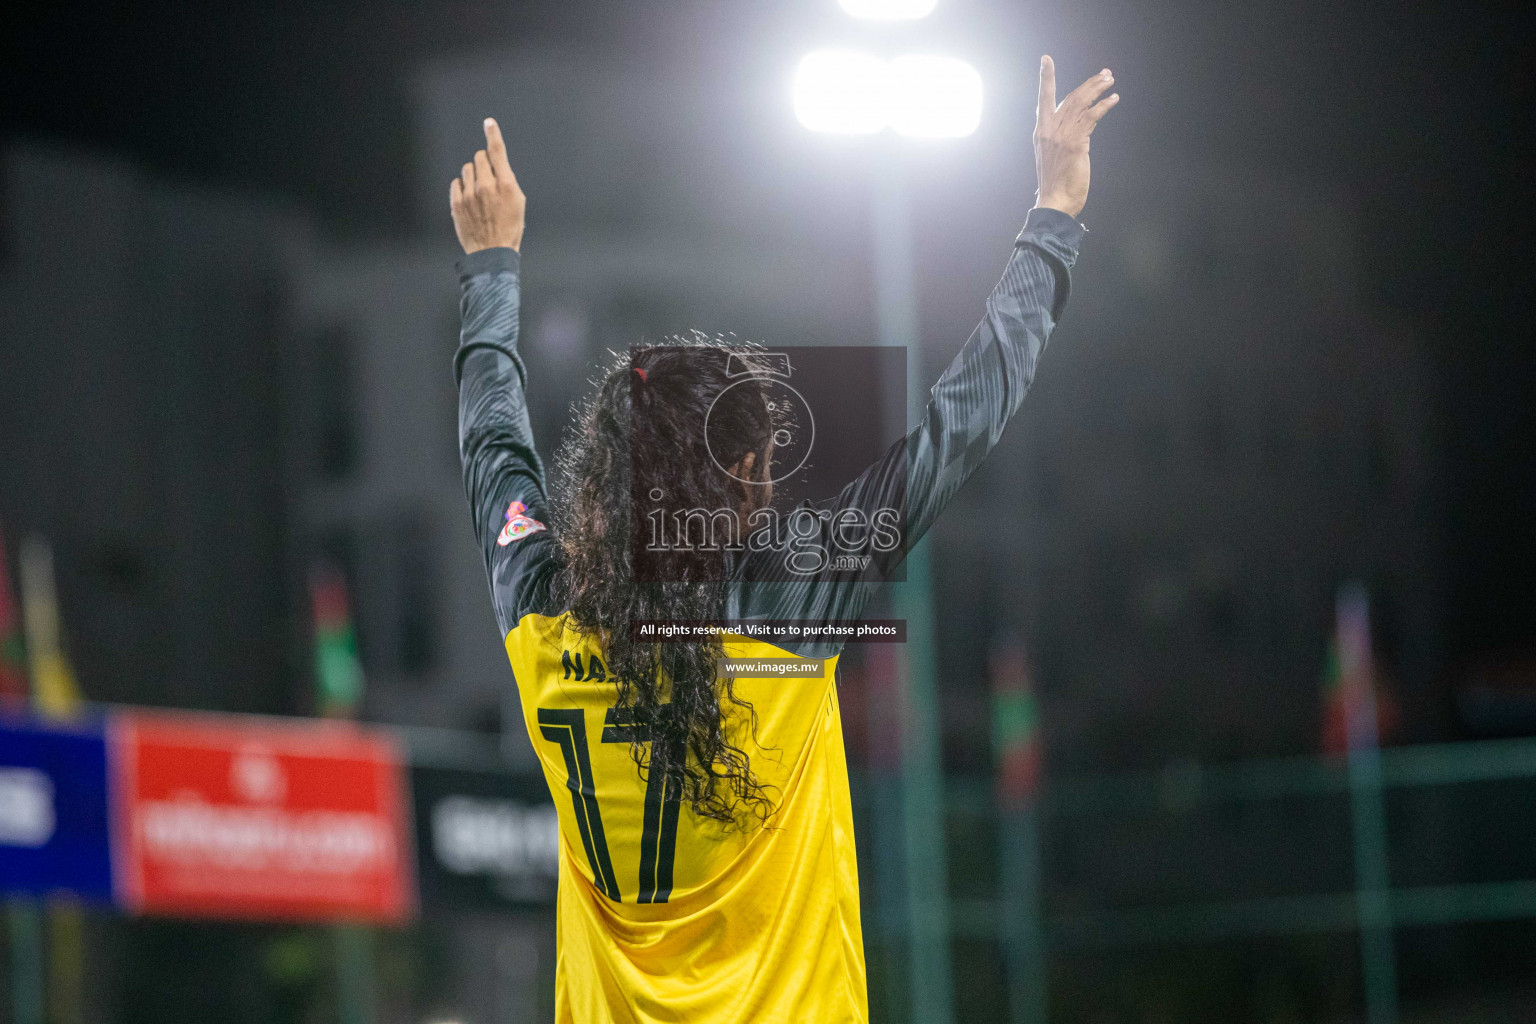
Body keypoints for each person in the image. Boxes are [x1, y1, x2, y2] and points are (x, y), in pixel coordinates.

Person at [449, 54, 1118, 1024]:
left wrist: (490, 268)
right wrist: (1053, 212)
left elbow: (492, 441)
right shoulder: (791, 609)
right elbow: (959, 422)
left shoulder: (542, 621)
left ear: (607, 482)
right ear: (741, 483)